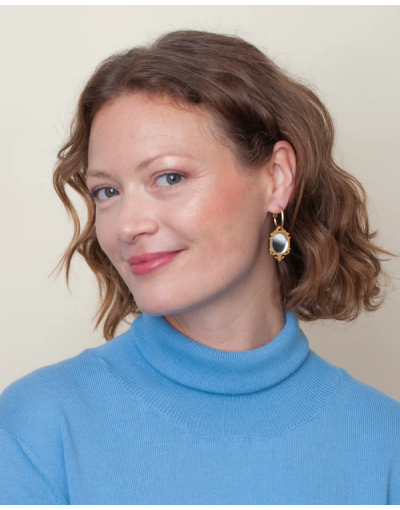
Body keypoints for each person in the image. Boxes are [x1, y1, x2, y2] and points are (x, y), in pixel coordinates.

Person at [0, 29, 399, 505]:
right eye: (107, 191)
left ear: (276, 178)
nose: (127, 225)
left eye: (169, 177)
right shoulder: (38, 429)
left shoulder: (385, 442)